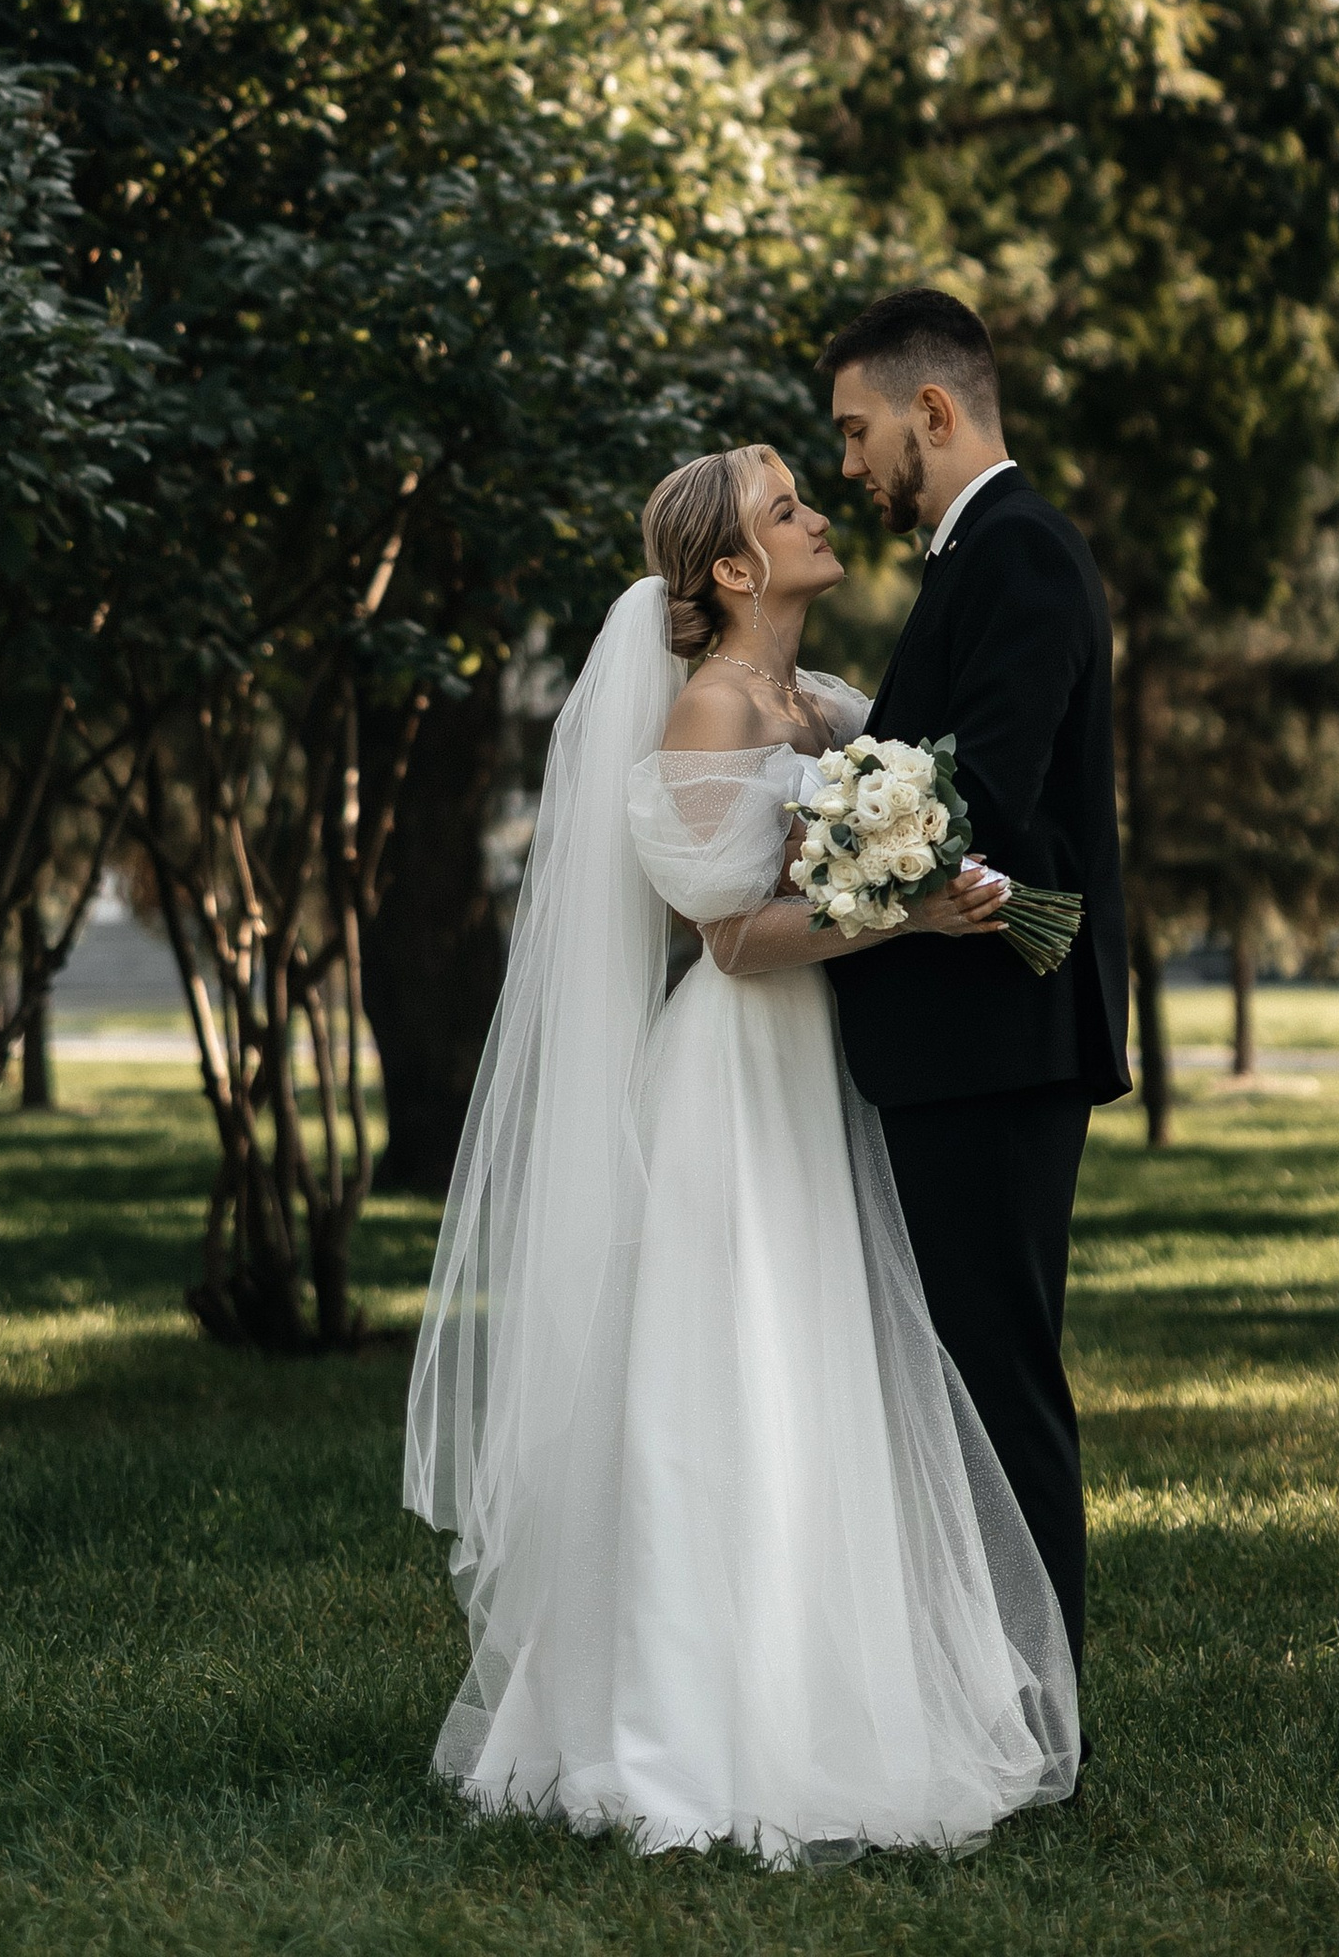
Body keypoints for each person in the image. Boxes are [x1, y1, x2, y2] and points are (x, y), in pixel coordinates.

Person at [402, 442, 1080, 1866]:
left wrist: (917, 866)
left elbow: (867, 811)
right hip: (732, 1069)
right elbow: (730, 938)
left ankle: (825, 1684)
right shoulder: (711, 709)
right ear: (730, 569)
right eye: (788, 510)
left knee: (817, 1353)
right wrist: (905, 914)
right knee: (732, 1364)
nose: (819, 516)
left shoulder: (814, 701)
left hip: (809, 1070)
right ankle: (686, 1722)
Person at [822, 287, 1130, 1680]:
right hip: (961, 1042)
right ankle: (984, 1696)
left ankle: (1043, 1718)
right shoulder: (974, 557)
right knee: (963, 1380)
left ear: (929, 412)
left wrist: (816, 840)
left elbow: (985, 792)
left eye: (855, 429)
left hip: (998, 1041)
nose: (847, 465)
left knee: (1000, 1384)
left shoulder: (1020, 557)